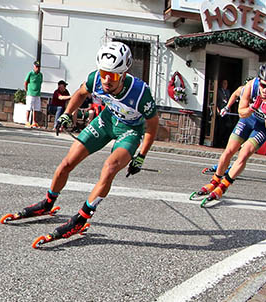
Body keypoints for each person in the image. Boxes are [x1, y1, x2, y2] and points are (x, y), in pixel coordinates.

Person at [8, 41, 158, 244]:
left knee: (110, 168)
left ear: (123, 74)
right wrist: (67, 114)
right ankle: (48, 202)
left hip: (130, 130)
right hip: (106, 121)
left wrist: (141, 156)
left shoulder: (141, 92)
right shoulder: (95, 78)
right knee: (67, 163)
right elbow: (80, 94)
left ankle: (82, 217)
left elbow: (153, 126)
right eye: (104, 72)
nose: (106, 80)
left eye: (112, 75)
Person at [195, 63, 266, 204]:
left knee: (244, 153)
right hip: (248, 120)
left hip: (262, 127)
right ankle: (214, 181)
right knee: (229, 150)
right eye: (263, 85)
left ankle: (223, 187)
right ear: (259, 82)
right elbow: (241, 113)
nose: (264, 90)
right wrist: (252, 107)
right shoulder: (251, 86)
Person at [24, 60, 44, 129]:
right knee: (29, 107)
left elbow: (40, 83)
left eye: (39, 67)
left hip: (37, 94)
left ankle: (34, 122)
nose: (38, 68)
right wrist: (27, 91)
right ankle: (27, 121)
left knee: (36, 108)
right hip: (30, 93)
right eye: (36, 67)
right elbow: (26, 82)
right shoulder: (30, 73)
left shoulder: (40, 75)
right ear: (34, 66)